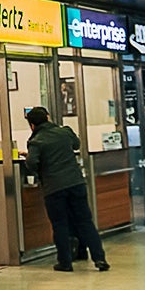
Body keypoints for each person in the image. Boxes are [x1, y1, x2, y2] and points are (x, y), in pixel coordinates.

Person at [23, 106, 109, 272]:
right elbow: (76, 144)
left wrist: (40, 169)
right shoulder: (65, 132)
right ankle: (99, 258)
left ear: (32, 125)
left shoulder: (36, 141)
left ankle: (65, 262)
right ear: (48, 117)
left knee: (60, 224)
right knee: (85, 222)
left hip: (54, 188)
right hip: (76, 183)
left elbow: (32, 163)